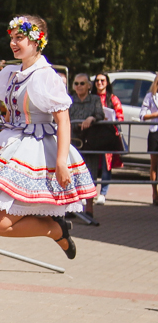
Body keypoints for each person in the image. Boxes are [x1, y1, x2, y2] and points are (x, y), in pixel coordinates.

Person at [0, 16, 96, 258]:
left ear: (37, 40)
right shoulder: (11, 72)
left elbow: (63, 120)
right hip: (11, 144)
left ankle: (54, 229)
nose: (13, 43)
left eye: (20, 38)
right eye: (12, 38)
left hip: (35, 149)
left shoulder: (45, 75)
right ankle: (54, 227)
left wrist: (61, 161)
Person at [68, 72, 105, 224]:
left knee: (90, 174)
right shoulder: (70, 100)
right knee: (71, 174)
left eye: (82, 83)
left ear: (88, 86)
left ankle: (89, 208)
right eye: (76, 84)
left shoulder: (94, 99)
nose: (79, 86)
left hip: (90, 141)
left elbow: (100, 114)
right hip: (73, 142)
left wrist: (92, 118)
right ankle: (72, 207)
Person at [92, 73, 124, 205]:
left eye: (102, 80)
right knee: (91, 164)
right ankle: (89, 192)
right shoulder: (91, 98)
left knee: (107, 166)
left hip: (108, 136)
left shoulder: (113, 99)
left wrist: (110, 119)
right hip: (93, 136)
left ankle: (103, 193)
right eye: (97, 80)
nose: (100, 83)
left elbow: (120, 117)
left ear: (107, 83)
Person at [140, 74, 158, 206]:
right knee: (154, 165)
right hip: (155, 132)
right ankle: (155, 193)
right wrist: (156, 114)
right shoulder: (150, 96)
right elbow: (142, 115)